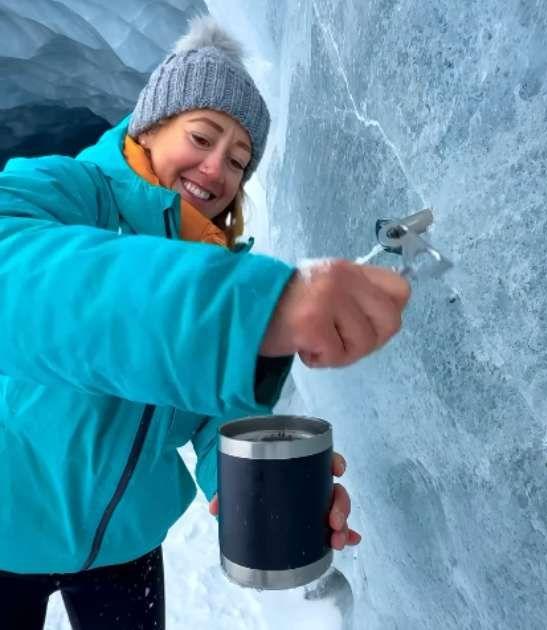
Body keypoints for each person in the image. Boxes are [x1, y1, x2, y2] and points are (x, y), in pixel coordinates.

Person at [0, 17, 410, 629]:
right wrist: (247, 312)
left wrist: (275, 483)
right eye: (200, 136)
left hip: (127, 548)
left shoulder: (215, 259)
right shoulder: (65, 191)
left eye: (239, 160)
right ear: (150, 124)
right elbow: (20, 278)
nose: (217, 170)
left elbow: (211, 416)